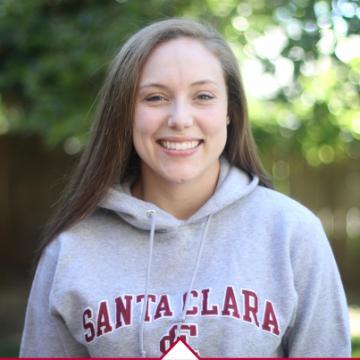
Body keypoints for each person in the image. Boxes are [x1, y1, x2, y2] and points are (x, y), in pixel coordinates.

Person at [20, 18, 351, 357]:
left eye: (203, 96)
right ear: (125, 113)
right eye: (155, 97)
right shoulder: (70, 251)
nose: (180, 118)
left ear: (230, 111)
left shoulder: (292, 234)